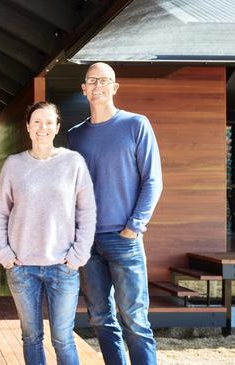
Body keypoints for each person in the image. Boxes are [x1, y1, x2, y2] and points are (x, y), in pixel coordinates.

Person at [67, 62, 163, 365]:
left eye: (104, 80)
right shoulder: (75, 135)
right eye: (92, 81)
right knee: (99, 318)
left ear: (114, 87)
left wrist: (135, 225)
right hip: (88, 242)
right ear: (84, 89)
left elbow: (153, 179)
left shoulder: (136, 125)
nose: (98, 86)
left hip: (124, 238)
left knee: (134, 320)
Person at [0, 101, 97, 365]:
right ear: (28, 127)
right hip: (22, 267)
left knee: (63, 339)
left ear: (57, 127)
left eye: (49, 122)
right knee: (31, 337)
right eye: (37, 121)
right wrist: (3, 254)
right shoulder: (14, 165)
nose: (43, 127)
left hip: (63, 267)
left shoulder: (73, 162)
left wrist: (78, 255)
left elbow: (87, 211)